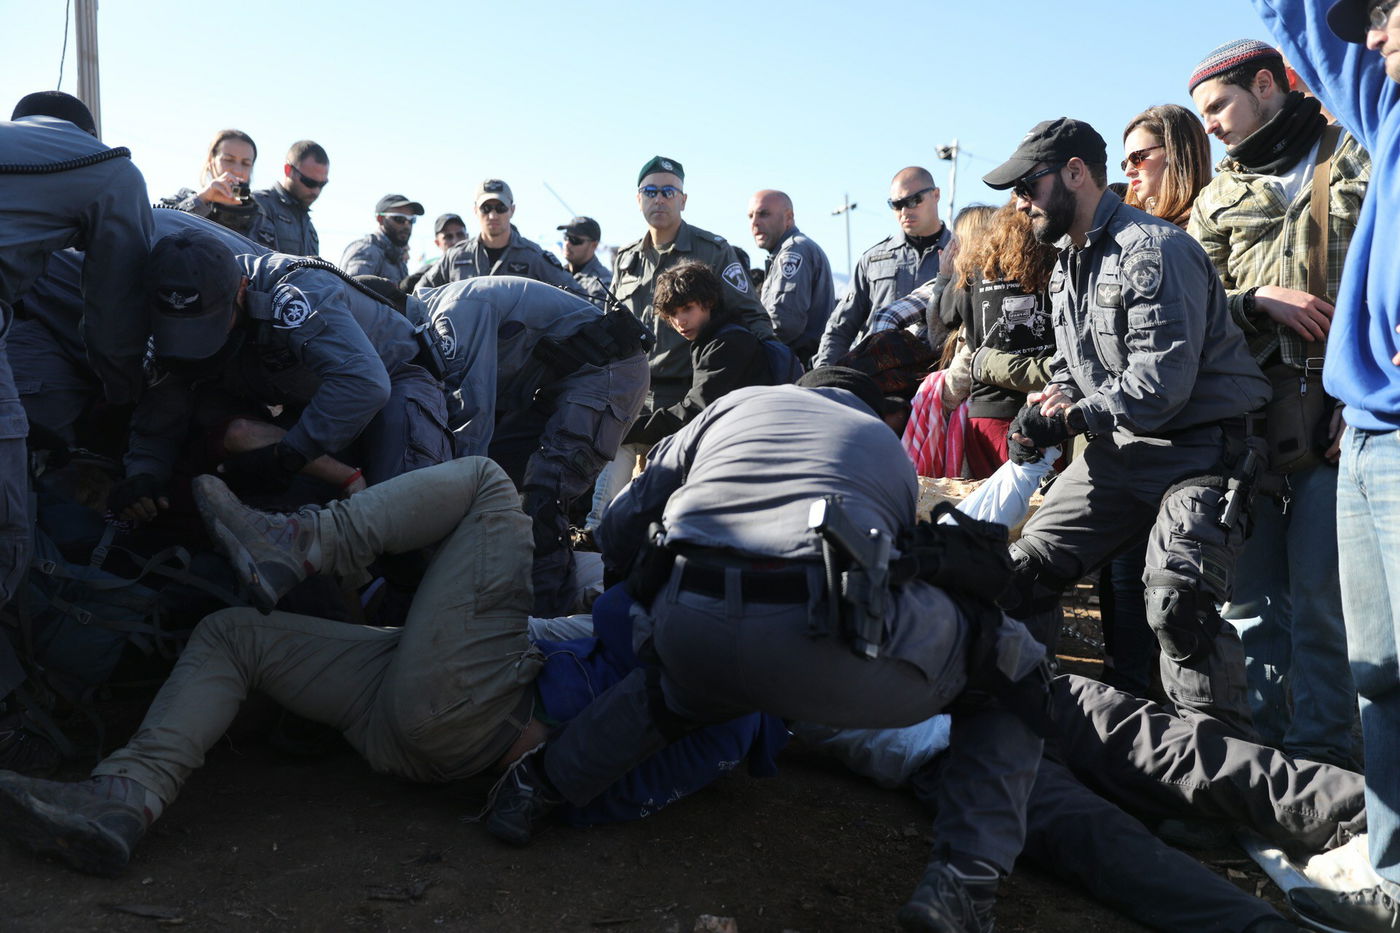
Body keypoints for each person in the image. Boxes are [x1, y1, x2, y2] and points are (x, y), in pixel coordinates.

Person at [0, 461, 785, 876]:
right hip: (426, 706)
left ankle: (305, 540)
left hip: (485, 716)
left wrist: (543, 780)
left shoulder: (735, 692)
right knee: (232, 633)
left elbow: (636, 780)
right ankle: (125, 798)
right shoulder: (687, 620)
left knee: (489, 485)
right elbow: (560, 631)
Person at [485, 372, 1050, 933]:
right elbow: (885, 579)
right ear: (875, 412)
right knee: (1017, 664)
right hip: (822, 635)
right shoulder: (885, 448)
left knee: (672, 688)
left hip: (691, 617)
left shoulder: (736, 404)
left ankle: (534, 789)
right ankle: (963, 884)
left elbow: (621, 523)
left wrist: (636, 594)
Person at [983, 117, 1271, 733]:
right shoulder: (1067, 265)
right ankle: (1030, 733)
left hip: (1198, 451)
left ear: (1075, 174)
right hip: (1120, 450)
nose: (1021, 203)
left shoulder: (1153, 250)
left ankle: (1213, 772)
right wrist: (1048, 407)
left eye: (1029, 187)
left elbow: (1161, 382)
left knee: (1177, 603)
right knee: (1018, 577)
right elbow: (1076, 366)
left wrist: (1074, 417)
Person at [1248, 0, 1400, 928]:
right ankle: (1395, 871)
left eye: (1387, 10)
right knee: (1377, 668)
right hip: (1368, 434)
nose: (1372, 36)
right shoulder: (1391, 114)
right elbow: (1305, 21)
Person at [1188, 39, 1369, 767]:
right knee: (1252, 604)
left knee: (1327, 605)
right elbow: (1191, 307)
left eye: (1218, 107)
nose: (1210, 126)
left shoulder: (1358, 154)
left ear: (1266, 84)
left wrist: (1366, 394)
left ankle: (1324, 760)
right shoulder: (1214, 199)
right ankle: (1265, 766)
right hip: (1248, 428)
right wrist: (1256, 297)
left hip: (1343, 419)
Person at [0, 90, 155, 770]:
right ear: (87, 131)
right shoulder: (105, 165)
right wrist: (122, 400)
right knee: (6, 530)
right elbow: (115, 313)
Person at [112, 228, 451, 530]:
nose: (192, 343)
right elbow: (162, 410)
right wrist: (144, 474)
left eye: (208, 325)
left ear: (242, 290)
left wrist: (289, 455)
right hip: (312, 404)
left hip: (395, 377)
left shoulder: (296, 294)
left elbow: (365, 384)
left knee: (405, 512)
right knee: (276, 503)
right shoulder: (166, 323)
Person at [412, 275, 648, 617]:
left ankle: (544, 620)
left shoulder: (451, 314)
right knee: (501, 476)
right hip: (553, 386)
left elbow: (470, 421)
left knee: (542, 494)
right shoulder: (433, 317)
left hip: (608, 373)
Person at [584, 155, 774, 533]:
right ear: (638, 199)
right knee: (605, 499)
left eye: (669, 191)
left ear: (683, 200)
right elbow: (611, 328)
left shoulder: (712, 250)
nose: (659, 199)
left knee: (667, 505)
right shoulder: (626, 259)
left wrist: (760, 379)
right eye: (650, 191)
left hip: (690, 395)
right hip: (633, 393)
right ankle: (596, 545)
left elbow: (754, 320)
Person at [938, 202, 1057, 479]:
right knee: (1041, 502)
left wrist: (945, 278)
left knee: (990, 503)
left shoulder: (975, 268)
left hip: (986, 411)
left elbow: (947, 314)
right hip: (1040, 412)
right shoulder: (1055, 265)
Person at [814, 167, 951, 368]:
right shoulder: (873, 259)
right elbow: (840, 327)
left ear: (936, 195)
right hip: (878, 374)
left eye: (914, 200)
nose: (904, 211)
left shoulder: (962, 255)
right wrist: (824, 374)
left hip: (936, 375)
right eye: (896, 205)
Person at [622, 261, 769, 447]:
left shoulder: (727, 343)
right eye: (672, 314)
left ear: (709, 301)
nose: (680, 321)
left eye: (687, 308)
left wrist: (625, 429)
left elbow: (696, 412)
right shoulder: (716, 337)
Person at [413, 179, 584, 296]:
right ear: (475, 211)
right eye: (486, 208)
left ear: (512, 210)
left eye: (500, 208)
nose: (493, 215)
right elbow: (420, 295)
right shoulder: (455, 256)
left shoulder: (534, 256)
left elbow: (577, 298)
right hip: (464, 340)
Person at [747, 189, 835, 364]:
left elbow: (784, 323)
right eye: (750, 216)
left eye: (764, 214)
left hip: (797, 365)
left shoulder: (793, 251)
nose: (755, 222)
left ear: (788, 217)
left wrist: (748, 350)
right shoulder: (788, 250)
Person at [158, 129, 267, 239]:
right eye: (228, 160)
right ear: (211, 161)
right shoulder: (181, 201)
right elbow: (158, 229)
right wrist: (201, 200)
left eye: (246, 163)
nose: (237, 170)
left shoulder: (265, 219)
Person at [250, 140, 326, 256]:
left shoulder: (310, 230)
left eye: (322, 184)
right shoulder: (258, 205)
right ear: (288, 170)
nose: (316, 191)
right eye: (309, 182)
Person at [340, 194, 425, 283]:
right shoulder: (366, 250)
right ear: (380, 219)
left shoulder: (398, 256)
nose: (407, 226)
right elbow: (352, 289)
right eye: (399, 219)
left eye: (412, 220)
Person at [557, 215, 612, 305]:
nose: (567, 244)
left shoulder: (602, 283)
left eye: (575, 240)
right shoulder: (557, 273)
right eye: (566, 237)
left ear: (594, 245)